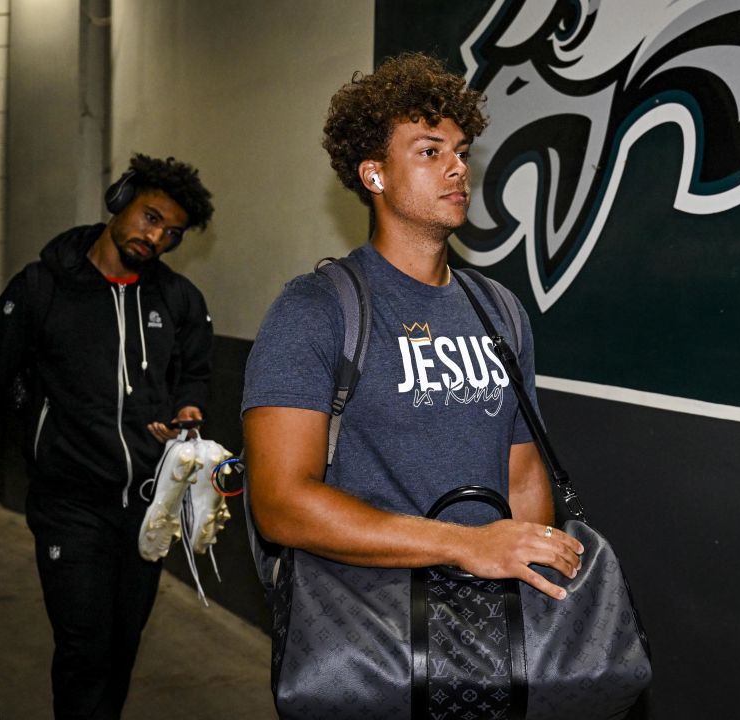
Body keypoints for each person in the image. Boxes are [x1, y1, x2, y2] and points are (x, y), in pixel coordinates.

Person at [242, 52, 583, 630]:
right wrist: (461, 544)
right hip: (369, 631)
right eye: (430, 151)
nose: (457, 169)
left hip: (487, 621)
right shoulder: (315, 310)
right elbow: (280, 502)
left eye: (460, 152)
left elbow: (522, 476)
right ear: (374, 175)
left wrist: (530, 592)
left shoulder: (501, 310)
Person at [0, 153, 215, 720]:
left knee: (121, 646)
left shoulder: (178, 300)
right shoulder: (44, 287)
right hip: (69, 501)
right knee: (85, 648)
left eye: (171, 233)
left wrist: (188, 412)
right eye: (150, 218)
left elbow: (194, 376)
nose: (157, 238)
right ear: (119, 202)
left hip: (149, 506)